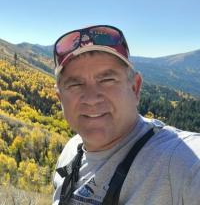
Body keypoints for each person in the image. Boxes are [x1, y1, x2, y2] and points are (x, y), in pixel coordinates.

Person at [52, 25, 200, 205]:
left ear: (135, 88)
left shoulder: (179, 162)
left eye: (107, 80)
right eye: (75, 85)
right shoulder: (70, 151)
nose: (91, 99)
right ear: (60, 98)